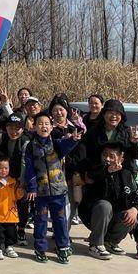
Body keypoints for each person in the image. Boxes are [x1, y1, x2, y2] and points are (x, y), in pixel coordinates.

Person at [81, 99, 138, 259]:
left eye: (117, 114)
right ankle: (97, 243)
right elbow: (85, 155)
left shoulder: (126, 132)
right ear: (104, 114)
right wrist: (85, 173)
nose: (113, 116)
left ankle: (111, 241)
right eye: (110, 112)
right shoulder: (94, 132)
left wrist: (134, 143)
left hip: (122, 174)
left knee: (130, 208)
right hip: (99, 177)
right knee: (104, 205)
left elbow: (137, 155)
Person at [25, 112, 81, 264]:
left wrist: (73, 140)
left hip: (58, 191)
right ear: (34, 127)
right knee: (41, 220)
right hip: (41, 192)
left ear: (51, 127)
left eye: (46, 124)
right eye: (40, 124)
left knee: (60, 219)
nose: (43, 126)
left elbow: (66, 146)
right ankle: (40, 248)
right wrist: (32, 188)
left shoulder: (56, 143)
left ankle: (62, 247)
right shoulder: (30, 147)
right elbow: (29, 168)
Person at [79, 142, 138, 260]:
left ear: (121, 158)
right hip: (93, 215)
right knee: (105, 205)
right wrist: (107, 171)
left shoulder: (126, 175)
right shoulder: (95, 169)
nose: (107, 159)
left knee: (132, 212)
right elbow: (90, 176)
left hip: (114, 218)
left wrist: (135, 209)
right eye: (105, 155)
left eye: (112, 156)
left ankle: (110, 242)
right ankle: (95, 245)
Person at [48, 96, 87, 228]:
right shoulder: (49, 129)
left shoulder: (75, 128)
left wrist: (77, 169)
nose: (58, 113)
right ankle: (60, 232)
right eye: (55, 110)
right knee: (57, 204)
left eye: (61, 110)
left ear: (66, 111)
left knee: (70, 203)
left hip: (71, 173)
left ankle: (65, 232)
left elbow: (81, 150)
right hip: (54, 173)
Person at [0, 113, 32, 245]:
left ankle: (21, 230)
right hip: (4, 177)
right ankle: (3, 230)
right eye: (10, 127)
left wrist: (21, 182)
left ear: (22, 129)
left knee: (22, 204)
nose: (13, 131)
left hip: (20, 178)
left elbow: (24, 163)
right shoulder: (3, 137)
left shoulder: (26, 141)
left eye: (17, 128)